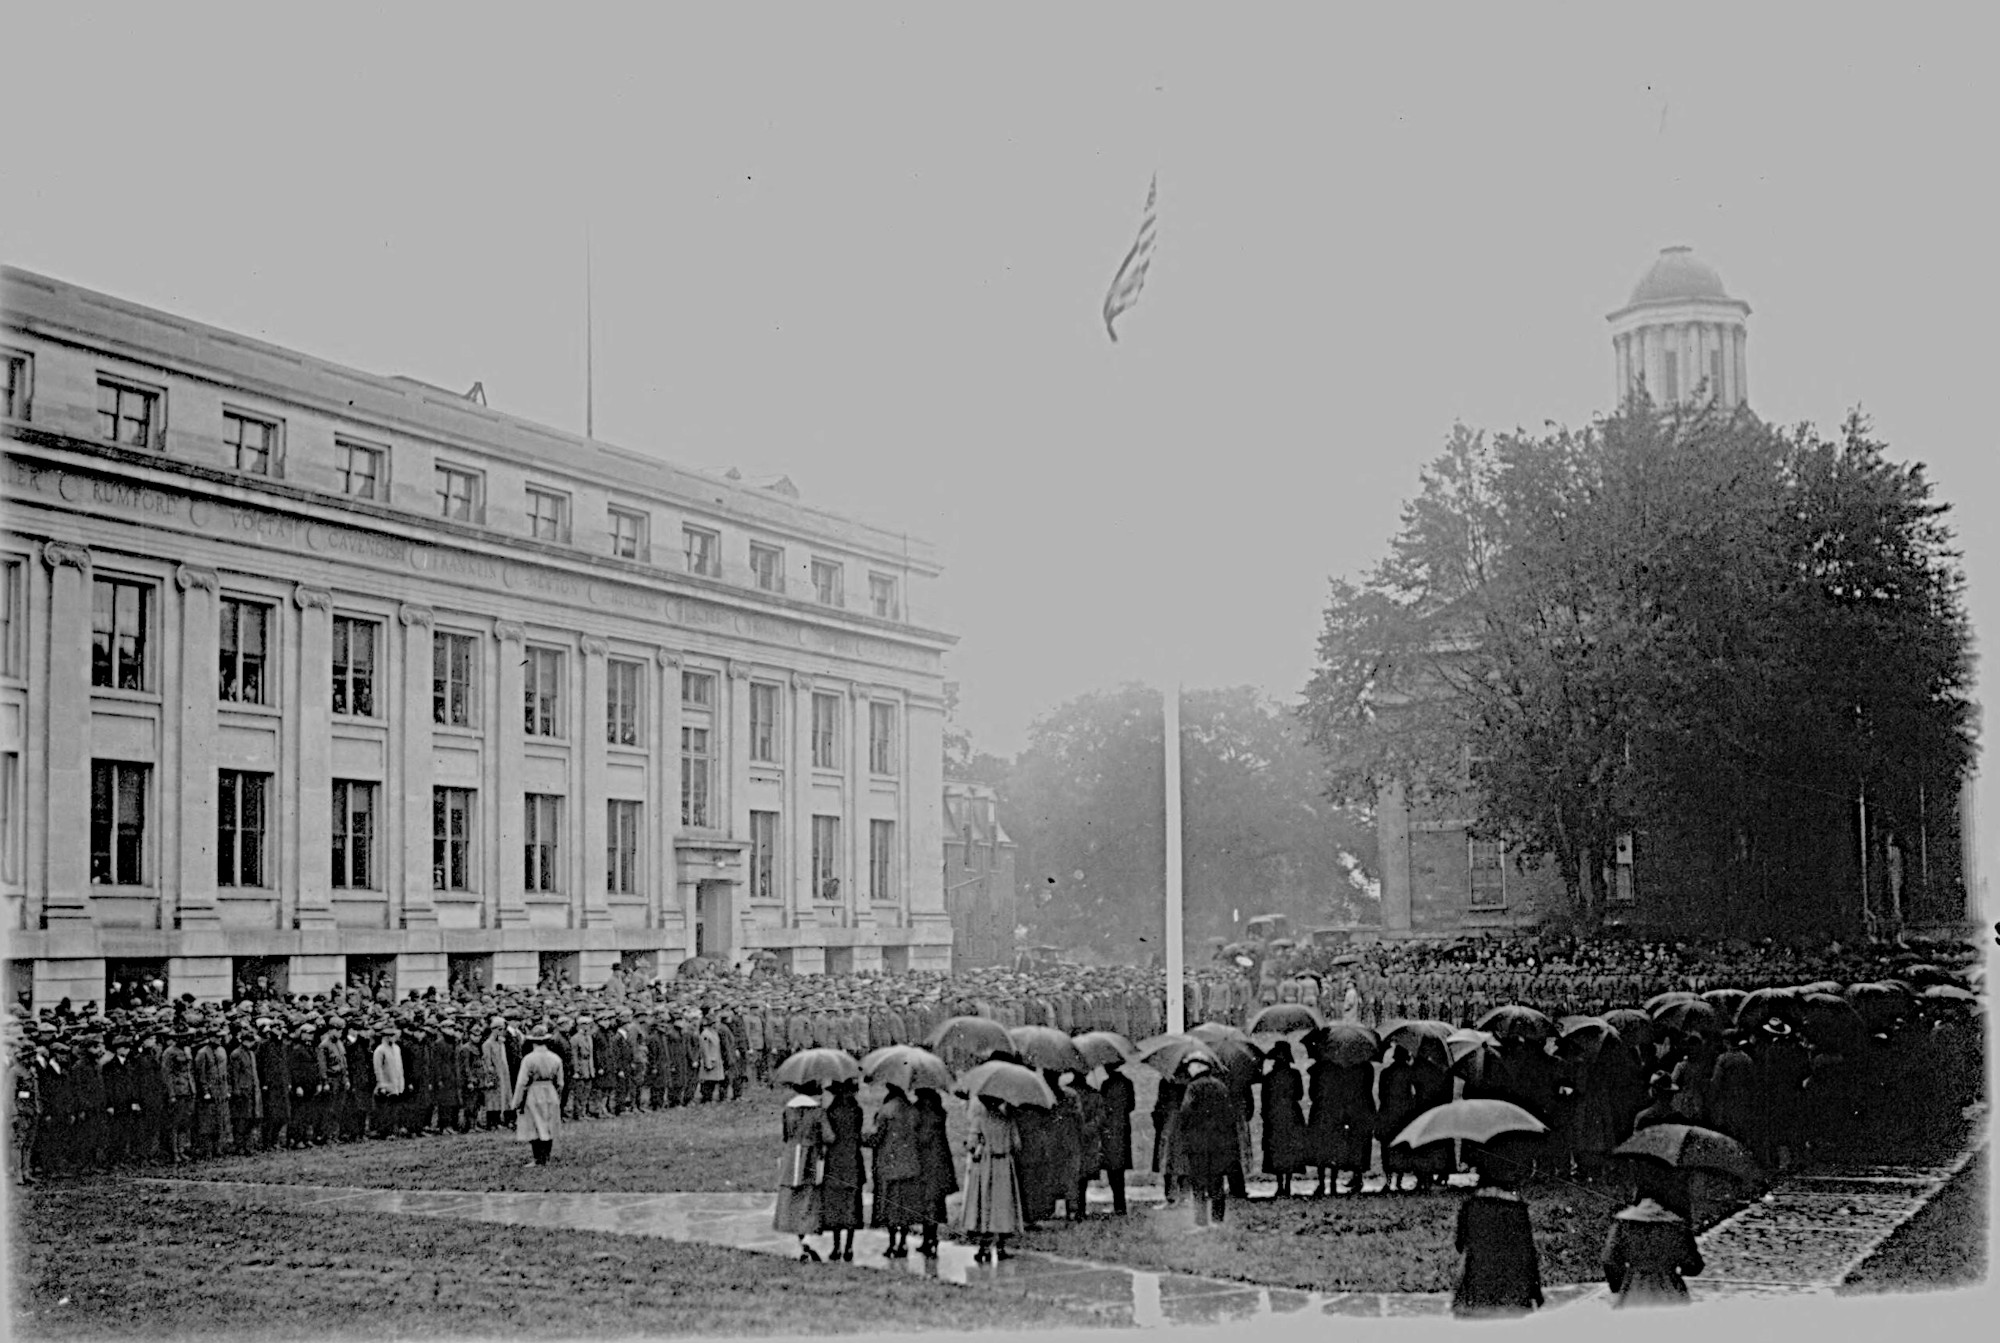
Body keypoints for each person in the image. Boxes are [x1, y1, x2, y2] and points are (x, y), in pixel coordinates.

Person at [1451, 1159, 1544, 1318]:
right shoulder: (1518, 1209)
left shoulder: (1470, 1207)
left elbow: (1460, 1245)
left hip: (1477, 1293)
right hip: (1515, 1296)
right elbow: (1528, 1253)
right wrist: (1536, 1294)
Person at [1602, 1184, 1704, 1307]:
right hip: (1670, 1289)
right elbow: (1694, 1264)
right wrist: (1681, 1270)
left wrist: (1618, 1285)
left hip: (1634, 1288)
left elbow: (1609, 1259)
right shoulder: (1677, 1226)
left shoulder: (1623, 1224)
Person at [862, 1082, 923, 1258]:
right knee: (904, 1207)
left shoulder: (885, 1111)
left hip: (889, 1166)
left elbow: (876, 1138)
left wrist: (861, 1138)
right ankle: (903, 1242)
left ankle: (892, 1244)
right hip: (910, 1166)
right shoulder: (913, 1110)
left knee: (890, 1207)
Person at [960, 1094, 1023, 1263]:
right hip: (1004, 1165)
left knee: (985, 1202)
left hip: (986, 1164)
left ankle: (984, 1247)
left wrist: (972, 1145)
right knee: (1003, 1204)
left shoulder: (979, 1120)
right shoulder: (1008, 1120)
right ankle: (1001, 1246)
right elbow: (1017, 1145)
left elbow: (972, 1144)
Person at [773, 1083, 833, 1261]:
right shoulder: (818, 1112)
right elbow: (829, 1136)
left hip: (792, 1155)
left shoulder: (788, 1109)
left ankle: (798, 1235)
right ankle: (807, 1233)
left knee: (793, 1194)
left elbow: (786, 1135)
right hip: (810, 1156)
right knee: (809, 1194)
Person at [1176, 1059, 1238, 1227]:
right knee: (1217, 1182)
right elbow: (1229, 1114)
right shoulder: (1220, 1086)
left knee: (1198, 1183)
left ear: (1198, 1067)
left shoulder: (1193, 1087)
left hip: (1197, 1142)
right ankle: (1217, 1220)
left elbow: (1185, 1112)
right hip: (1218, 1141)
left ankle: (1201, 1221)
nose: (1189, 1070)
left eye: (1190, 1066)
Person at [819, 1077, 865, 1261]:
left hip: (834, 1163)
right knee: (852, 1205)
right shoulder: (857, 1111)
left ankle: (836, 1247)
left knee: (835, 1205)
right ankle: (849, 1247)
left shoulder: (831, 1112)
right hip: (853, 1161)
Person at [912, 1086, 958, 1257]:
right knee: (936, 1202)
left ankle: (929, 1239)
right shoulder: (939, 1111)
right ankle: (931, 1238)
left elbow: (923, 1138)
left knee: (928, 1202)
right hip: (941, 1162)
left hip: (926, 1162)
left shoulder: (922, 1112)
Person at [1259, 1041, 1309, 1197]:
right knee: (1289, 1149)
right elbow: (1299, 1095)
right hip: (1291, 1114)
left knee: (1277, 1149)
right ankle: (1286, 1184)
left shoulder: (1269, 1077)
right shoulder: (1294, 1074)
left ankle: (1281, 1184)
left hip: (1275, 1116)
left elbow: (1264, 1099)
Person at [510, 1029, 564, 1166]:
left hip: (534, 1091)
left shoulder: (529, 1059)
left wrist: (516, 1102)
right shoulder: (555, 1058)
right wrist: (557, 1096)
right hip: (550, 1090)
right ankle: (546, 1156)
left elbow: (522, 1082)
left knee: (535, 1123)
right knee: (549, 1123)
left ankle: (538, 1158)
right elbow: (560, 1082)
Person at [1097, 1058, 1135, 1214]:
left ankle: (1118, 1203)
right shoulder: (1127, 1082)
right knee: (1119, 1167)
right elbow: (1132, 1106)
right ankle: (1120, 1203)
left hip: (1109, 1129)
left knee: (1112, 1167)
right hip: (1123, 1128)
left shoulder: (1106, 1085)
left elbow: (1101, 1107)